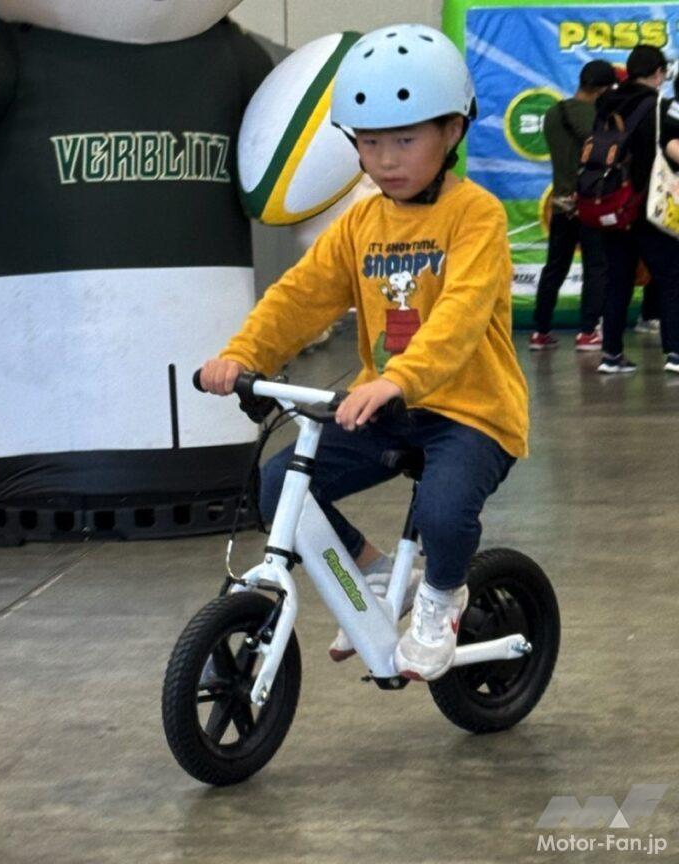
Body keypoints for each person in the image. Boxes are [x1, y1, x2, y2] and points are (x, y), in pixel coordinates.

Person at [197, 24, 528, 682]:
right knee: (278, 485)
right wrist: (243, 352)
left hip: (472, 411)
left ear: (452, 132)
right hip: (390, 406)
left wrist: (398, 378)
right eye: (370, 143)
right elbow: (302, 296)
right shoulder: (360, 223)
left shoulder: (477, 216)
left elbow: (461, 315)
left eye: (405, 140)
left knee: (443, 511)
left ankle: (441, 599)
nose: (386, 160)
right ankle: (377, 574)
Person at [593, 46, 679, 374]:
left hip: (613, 204)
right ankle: (675, 353)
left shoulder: (606, 104)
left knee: (619, 280)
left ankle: (611, 355)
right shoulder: (661, 107)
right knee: (671, 278)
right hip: (648, 207)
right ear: (658, 73)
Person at [529, 61, 615, 352]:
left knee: (555, 267)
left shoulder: (554, 113)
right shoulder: (599, 118)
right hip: (590, 203)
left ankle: (540, 331)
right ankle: (588, 332)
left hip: (561, 202)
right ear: (603, 89)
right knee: (596, 266)